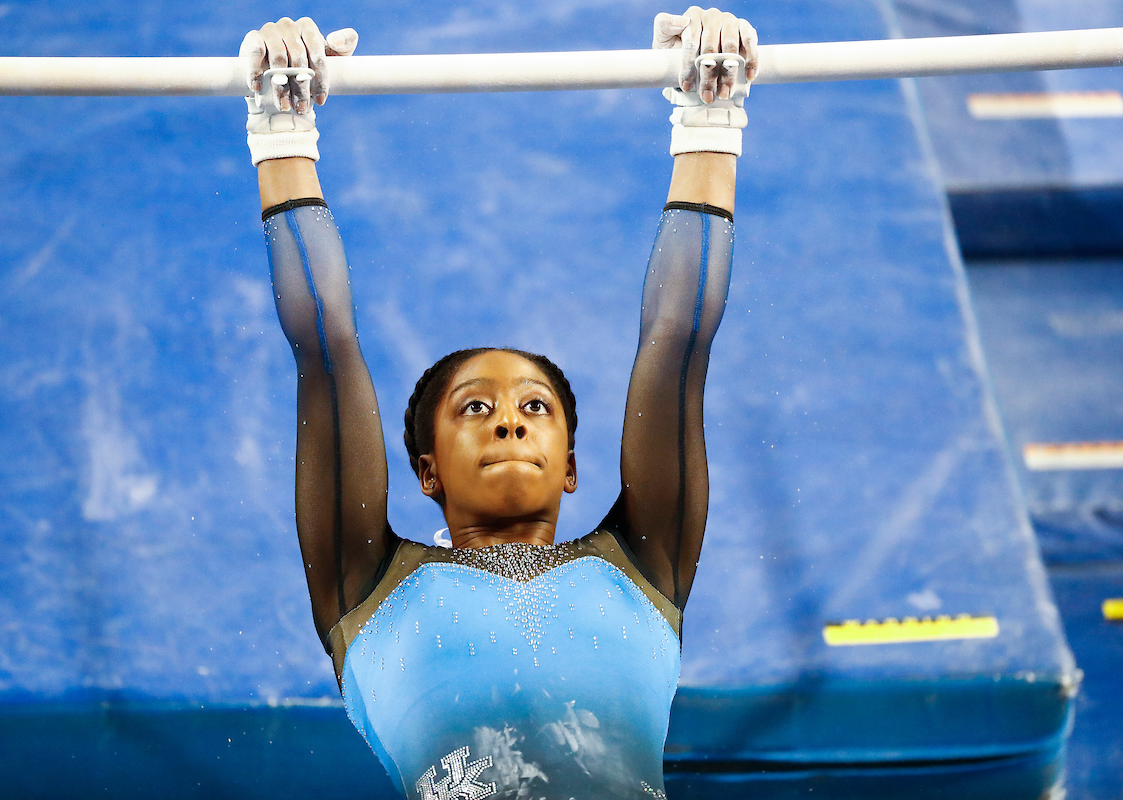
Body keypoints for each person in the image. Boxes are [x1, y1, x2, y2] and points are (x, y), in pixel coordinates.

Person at [240, 8, 756, 799]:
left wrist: (710, 111)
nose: (511, 419)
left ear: (573, 467)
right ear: (426, 470)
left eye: (537, 408)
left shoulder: (645, 563)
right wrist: (283, 126)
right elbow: (325, 344)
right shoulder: (364, 585)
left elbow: (679, 342)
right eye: (474, 409)